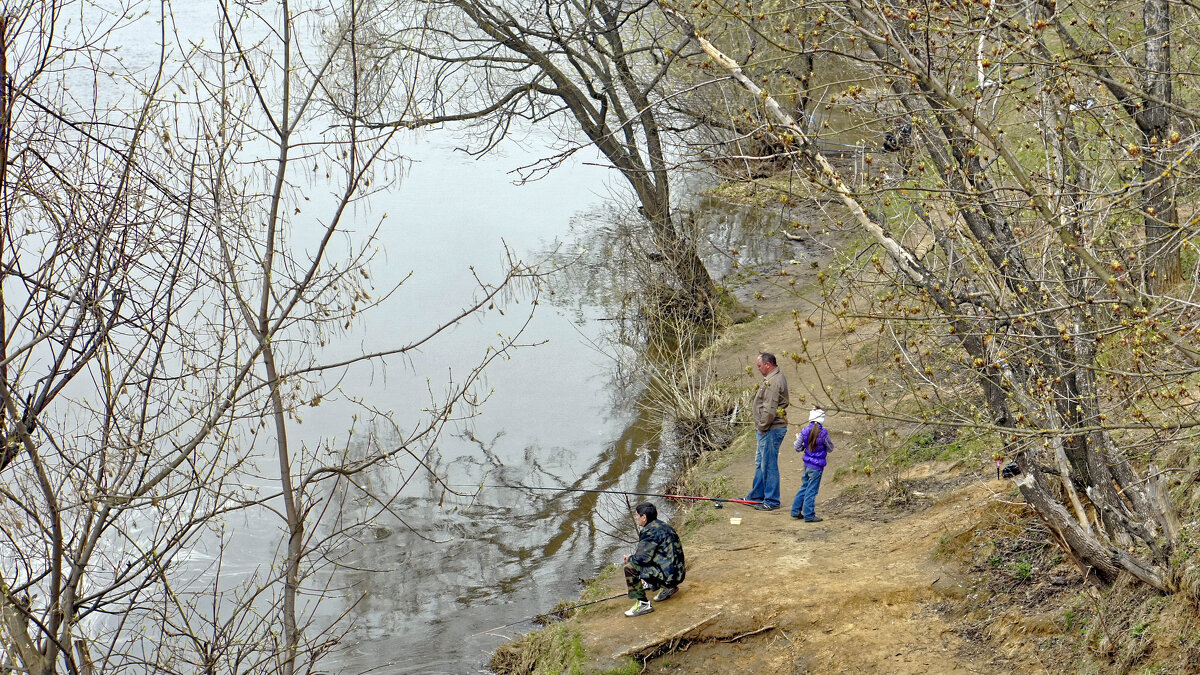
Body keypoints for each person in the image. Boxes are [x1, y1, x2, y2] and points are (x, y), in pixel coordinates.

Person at [622, 502, 685, 617]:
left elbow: (641, 559)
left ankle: (643, 604)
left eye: (637, 515)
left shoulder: (649, 531)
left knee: (630, 567)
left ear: (644, 517)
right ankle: (668, 587)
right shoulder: (664, 525)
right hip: (678, 573)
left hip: (670, 576)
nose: (636, 518)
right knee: (643, 562)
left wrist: (629, 558)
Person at [747, 352, 789, 511]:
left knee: (769, 465)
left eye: (759, 366)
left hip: (770, 430)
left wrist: (762, 427)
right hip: (767, 430)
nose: (757, 369)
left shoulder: (774, 382)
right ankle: (756, 496)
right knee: (761, 463)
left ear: (768, 365)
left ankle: (771, 500)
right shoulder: (772, 378)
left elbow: (770, 410)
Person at [791, 408, 833, 522]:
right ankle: (809, 515)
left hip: (807, 464)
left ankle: (795, 511)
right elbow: (830, 448)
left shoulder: (804, 431)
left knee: (804, 487)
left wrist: (805, 446)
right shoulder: (824, 433)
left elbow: (797, 447)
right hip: (817, 467)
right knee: (812, 491)